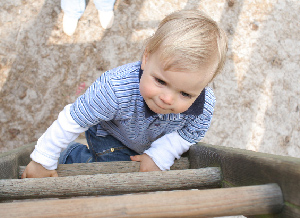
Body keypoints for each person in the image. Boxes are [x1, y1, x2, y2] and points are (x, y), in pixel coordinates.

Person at [21, 9, 228, 178]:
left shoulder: (203, 105)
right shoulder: (114, 89)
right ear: (146, 58)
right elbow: (73, 119)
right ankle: (73, 155)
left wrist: (160, 155)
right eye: (160, 81)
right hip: (112, 136)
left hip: (152, 139)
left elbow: (190, 133)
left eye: (185, 94)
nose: (167, 98)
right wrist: (43, 159)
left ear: (203, 87)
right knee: (111, 176)